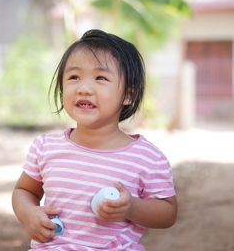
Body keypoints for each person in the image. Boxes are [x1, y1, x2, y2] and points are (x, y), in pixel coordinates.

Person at [12, 29, 177, 251]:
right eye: (74, 77)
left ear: (128, 94)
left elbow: (168, 213)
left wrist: (132, 208)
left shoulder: (147, 157)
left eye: (100, 78)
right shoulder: (46, 148)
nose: (84, 88)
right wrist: (28, 214)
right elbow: (24, 191)